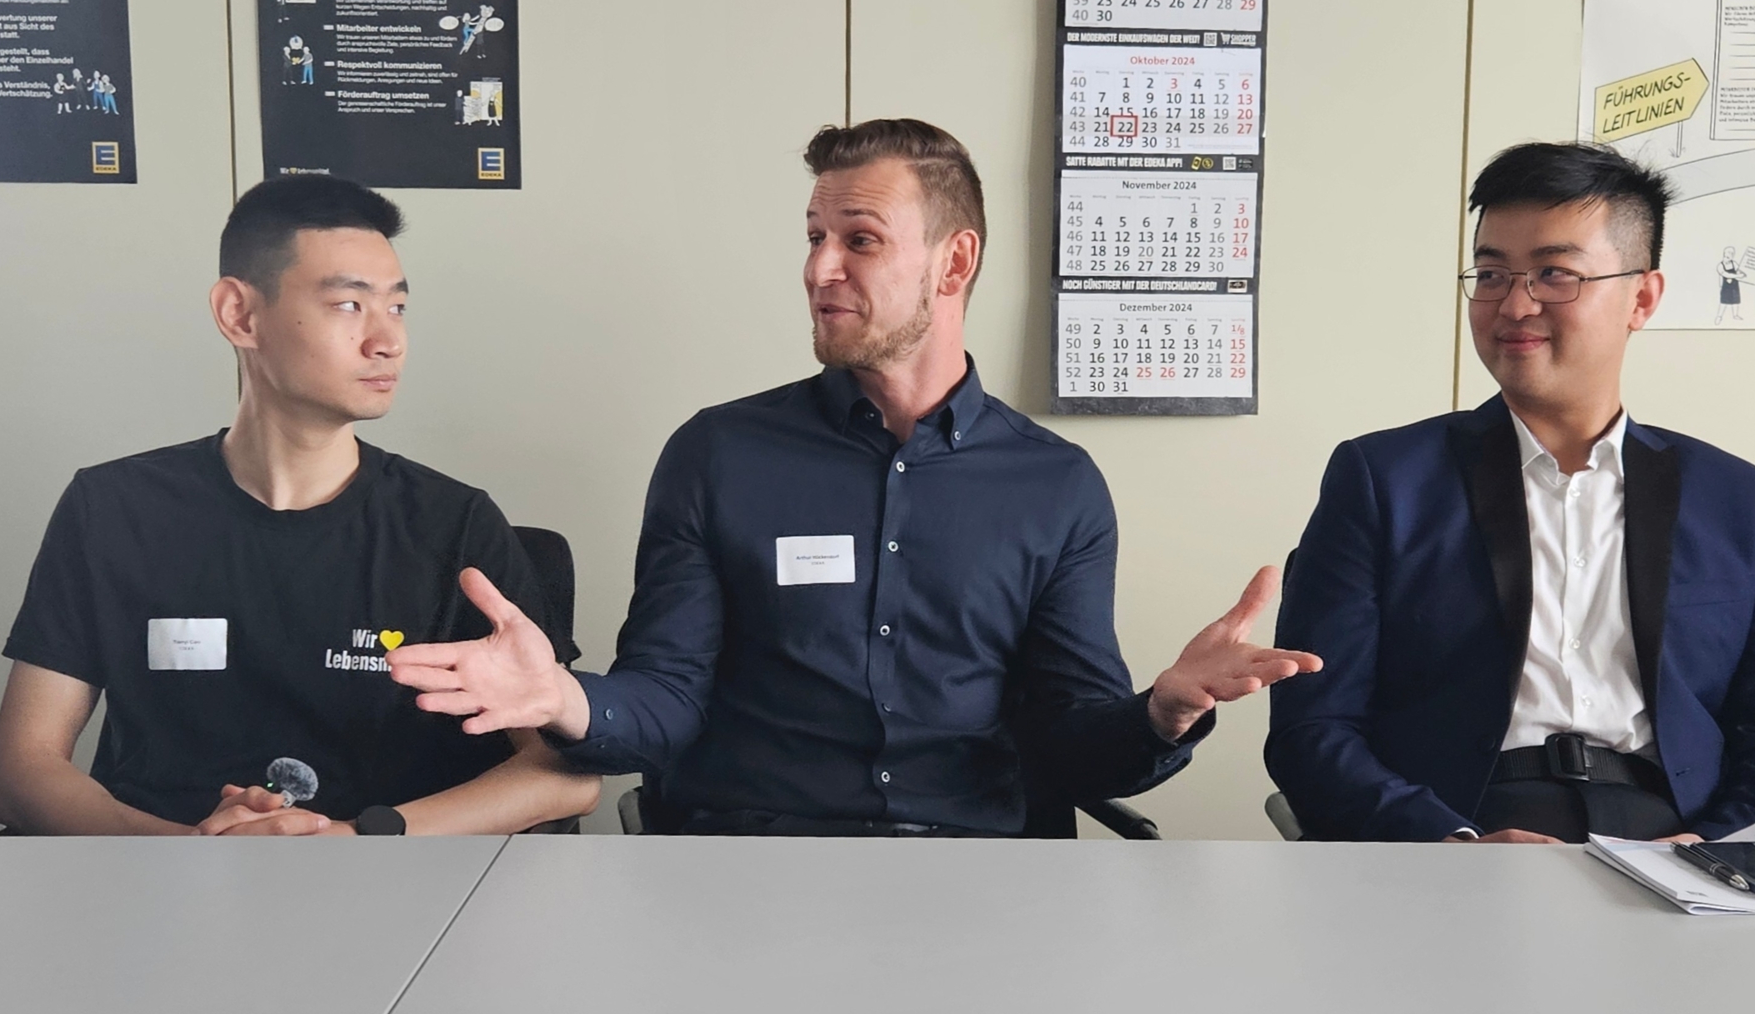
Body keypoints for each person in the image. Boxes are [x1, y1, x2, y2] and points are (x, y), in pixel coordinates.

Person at [388, 118, 1321, 837]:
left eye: (859, 239)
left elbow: (1072, 741)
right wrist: (563, 699)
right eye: (813, 236)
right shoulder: (718, 455)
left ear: (954, 261)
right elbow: (666, 700)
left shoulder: (1055, 485)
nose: (818, 267)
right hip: (747, 867)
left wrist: (1162, 711)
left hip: (978, 878)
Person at [0, 176, 600, 837]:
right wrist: (189, 851)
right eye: (348, 305)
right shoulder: (114, 509)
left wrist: (358, 837)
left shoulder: (451, 525)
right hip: (157, 889)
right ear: (239, 315)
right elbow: (21, 769)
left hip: (390, 886)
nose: (386, 341)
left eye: (396, 307)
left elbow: (565, 772)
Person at [1266, 142, 1755, 845]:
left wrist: (1720, 852)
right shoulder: (1383, 480)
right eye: (1492, 273)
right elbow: (1311, 728)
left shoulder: (1739, 501)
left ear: (1642, 297)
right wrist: (1447, 843)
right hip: (1466, 828)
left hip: (1677, 834)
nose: (1515, 302)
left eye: (1554, 274)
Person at [1715, 247, 1743, 324]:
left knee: (1735, 301)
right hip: (1726, 287)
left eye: (1728, 257)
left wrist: (1741, 274)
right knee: (1724, 302)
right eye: (1725, 256)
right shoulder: (1720, 266)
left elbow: (1739, 270)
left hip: (1734, 286)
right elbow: (1725, 274)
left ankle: (1735, 315)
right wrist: (1737, 276)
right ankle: (1719, 316)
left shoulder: (1734, 263)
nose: (1726, 259)